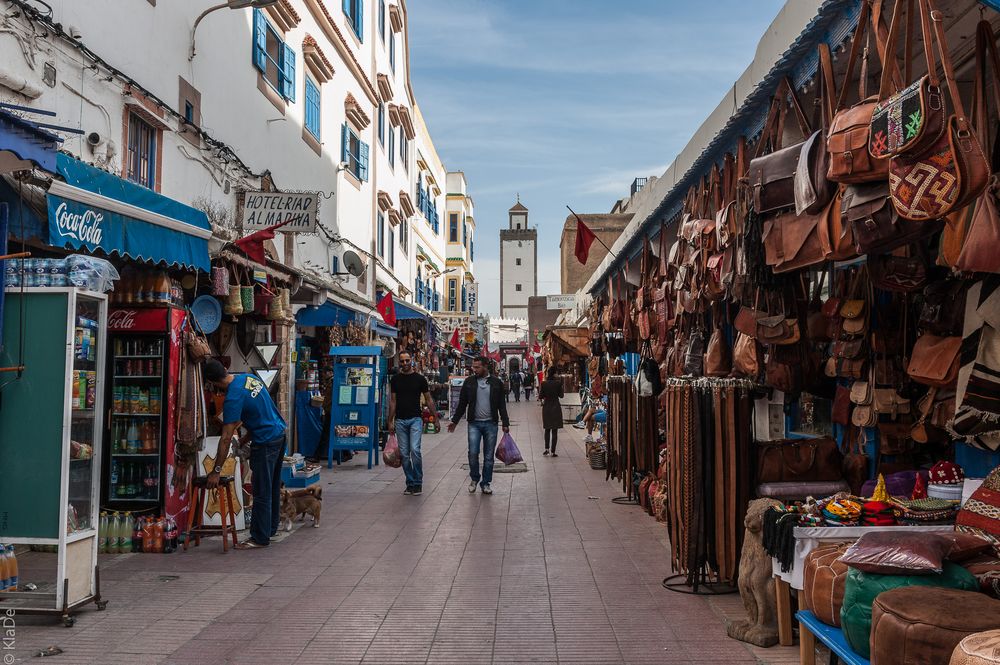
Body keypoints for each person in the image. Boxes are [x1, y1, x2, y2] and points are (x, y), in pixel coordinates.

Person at [204, 358, 287, 550]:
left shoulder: (233, 397)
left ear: (212, 382)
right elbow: (259, 413)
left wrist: (216, 470)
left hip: (266, 442)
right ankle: (270, 529)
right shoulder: (248, 378)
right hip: (279, 435)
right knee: (272, 487)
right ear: (225, 369)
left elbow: (225, 438)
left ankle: (259, 538)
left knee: (261, 492)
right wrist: (242, 441)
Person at [448, 356, 510, 495]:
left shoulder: (496, 383)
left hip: (491, 424)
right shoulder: (469, 382)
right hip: (474, 424)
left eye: (477, 367)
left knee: (488, 456)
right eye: (473, 367)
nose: (474, 370)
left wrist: (505, 423)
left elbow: (501, 404)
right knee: (473, 453)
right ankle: (474, 479)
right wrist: (455, 421)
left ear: (485, 367)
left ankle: (486, 483)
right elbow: (462, 403)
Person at [388, 351, 435, 496]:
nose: (405, 363)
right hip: (401, 420)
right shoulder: (395, 380)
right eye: (402, 361)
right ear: (399, 363)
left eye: (407, 360)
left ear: (412, 361)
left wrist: (436, 418)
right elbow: (393, 401)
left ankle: (418, 482)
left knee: (415, 450)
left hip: (415, 419)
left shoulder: (420, 379)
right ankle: (410, 482)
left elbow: (428, 399)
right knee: (404, 454)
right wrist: (390, 420)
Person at [539, 368, 564, 457]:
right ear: (555, 374)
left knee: (547, 429)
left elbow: (541, 396)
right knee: (554, 430)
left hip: (547, 408)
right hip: (556, 407)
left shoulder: (544, 383)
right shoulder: (558, 383)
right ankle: (553, 451)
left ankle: (546, 449)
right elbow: (561, 396)